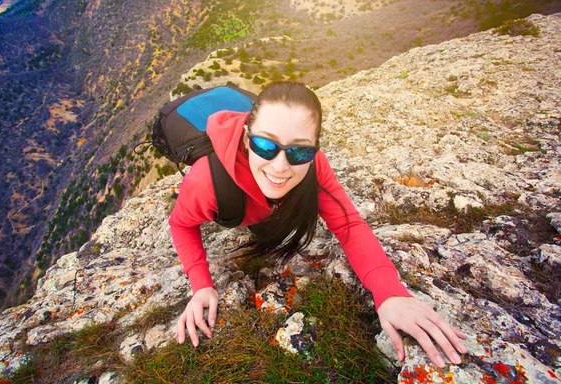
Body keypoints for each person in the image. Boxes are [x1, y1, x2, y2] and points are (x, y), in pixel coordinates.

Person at [169, 81, 467, 368]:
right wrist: (201, 285)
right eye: (264, 145)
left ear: (314, 150)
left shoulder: (315, 166)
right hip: (233, 197)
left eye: (299, 152)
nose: (280, 166)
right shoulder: (205, 181)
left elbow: (348, 224)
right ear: (248, 139)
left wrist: (389, 293)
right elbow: (181, 224)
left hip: (264, 208)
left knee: (269, 213)